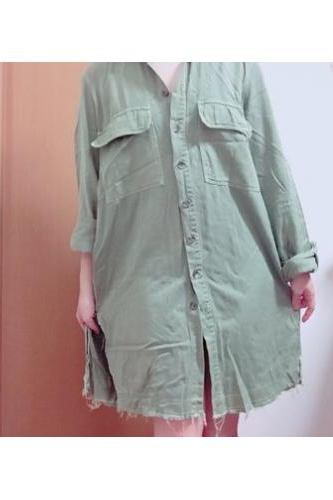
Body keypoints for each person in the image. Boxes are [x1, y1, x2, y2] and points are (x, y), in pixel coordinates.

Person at [71, 62, 318, 437]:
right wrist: (85, 287)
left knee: (222, 430)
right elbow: (90, 196)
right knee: (176, 429)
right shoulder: (100, 81)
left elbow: (270, 166)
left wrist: (298, 262)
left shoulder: (237, 68)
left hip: (234, 279)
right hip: (149, 294)